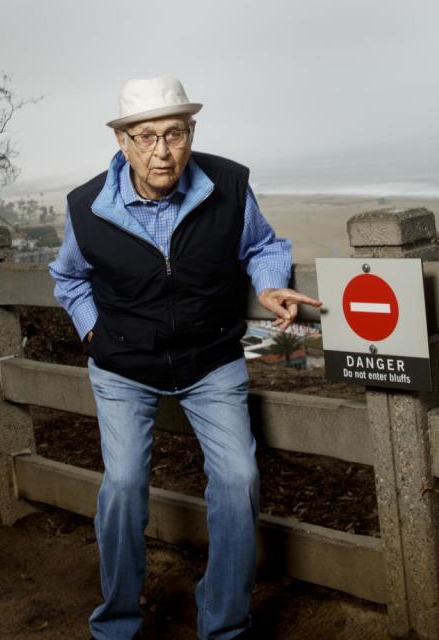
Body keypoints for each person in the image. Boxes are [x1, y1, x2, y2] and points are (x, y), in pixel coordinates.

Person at [48, 75, 322, 640]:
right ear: (122, 142)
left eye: (174, 134)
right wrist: (95, 334)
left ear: (190, 133)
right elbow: (68, 279)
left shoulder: (228, 183)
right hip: (123, 367)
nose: (162, 151)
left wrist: (268, 284)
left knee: (239, 479)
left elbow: (265, 246)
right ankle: (117, 622)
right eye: (145, 137)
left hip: (210, 360)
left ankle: (224, 625)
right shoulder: (86, 206)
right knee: (122, 485)